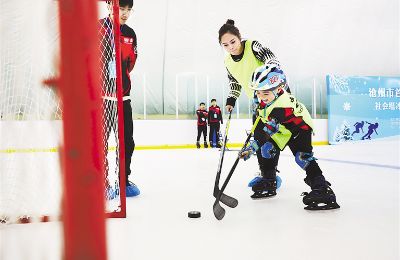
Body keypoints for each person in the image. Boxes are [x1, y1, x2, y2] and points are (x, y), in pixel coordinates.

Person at [240, 64, 340, 211]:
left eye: (265, 94)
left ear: (279, 89)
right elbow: (261, 113)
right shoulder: (265, 97)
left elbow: (266, 133)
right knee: (268, 149)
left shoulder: (281, 107)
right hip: (283, 128)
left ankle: (322, 189)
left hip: (299, 128)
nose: (261, 97)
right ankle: (269, 179)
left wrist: (251, 148)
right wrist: (257, 104)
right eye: (258, 93)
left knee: (302, 157)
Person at [218, 19, 290, 186]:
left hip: (276, 96)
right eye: (225, 45)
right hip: (257, 100)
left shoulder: (253, 46)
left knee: (269, 135)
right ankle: (265, 174)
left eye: (233, 42)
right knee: (258, 136)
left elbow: (273, 62)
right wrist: (231, 99)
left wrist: (267, 81)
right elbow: (235, 83)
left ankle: (270, 176)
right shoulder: (228, 62)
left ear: (239, 37)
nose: (231, 47)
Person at [100, 0, 139, 197]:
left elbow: (131, 63)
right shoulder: (98, 29)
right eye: (120, 8)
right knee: (101, 143)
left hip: (123, 98)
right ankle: (103, 182)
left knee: (127, 143)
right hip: (102, 99)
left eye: (128, 9)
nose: (125, 13)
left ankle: (123, 181)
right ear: (109, 6)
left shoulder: (130, 34)